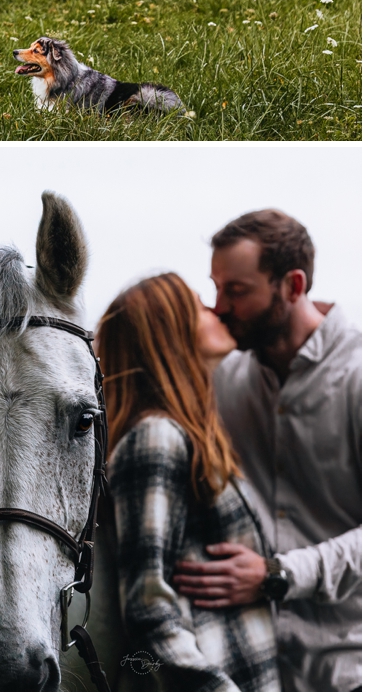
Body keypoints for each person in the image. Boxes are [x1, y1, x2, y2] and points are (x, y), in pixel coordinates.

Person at [172, 211, 361, 692]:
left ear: (292, 286)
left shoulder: (358, 378)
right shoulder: (222, 379)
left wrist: (278, 575)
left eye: (236, 291)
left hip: (344, 666)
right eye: (215, 288)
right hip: (240, 663)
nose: (218, 306)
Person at [95, 272, 280, 691]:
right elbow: (149, 615)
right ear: (170, 332)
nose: (216, 311)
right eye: (198, 305)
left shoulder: (190, 434)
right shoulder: (154, 438)